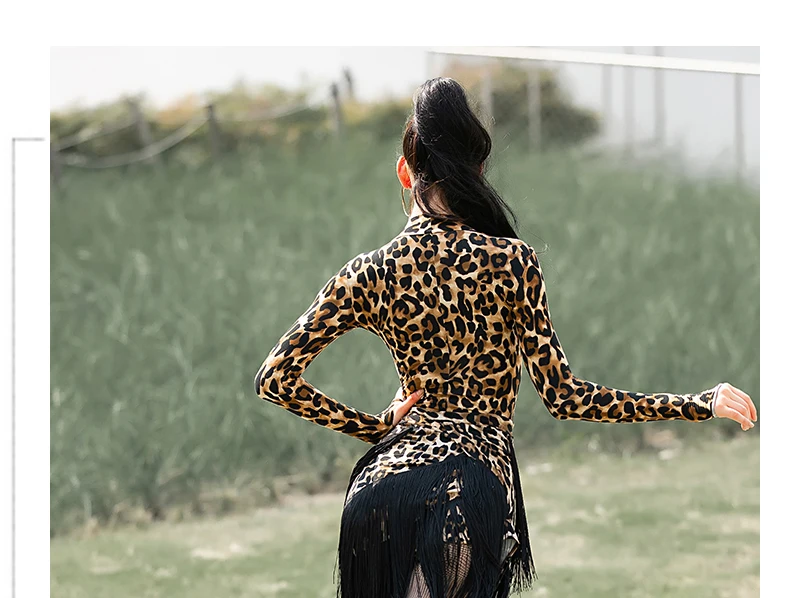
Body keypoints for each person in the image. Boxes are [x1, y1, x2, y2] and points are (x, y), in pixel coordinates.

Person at [253, 77, 757, 598]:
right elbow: (567, 399)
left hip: (376, 496)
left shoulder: (370, 271)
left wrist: (374, 428)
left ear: (404, 172)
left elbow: (274, 379)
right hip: (466, 492)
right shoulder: (513, 262)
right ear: (477, 171)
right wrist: (697, 404)